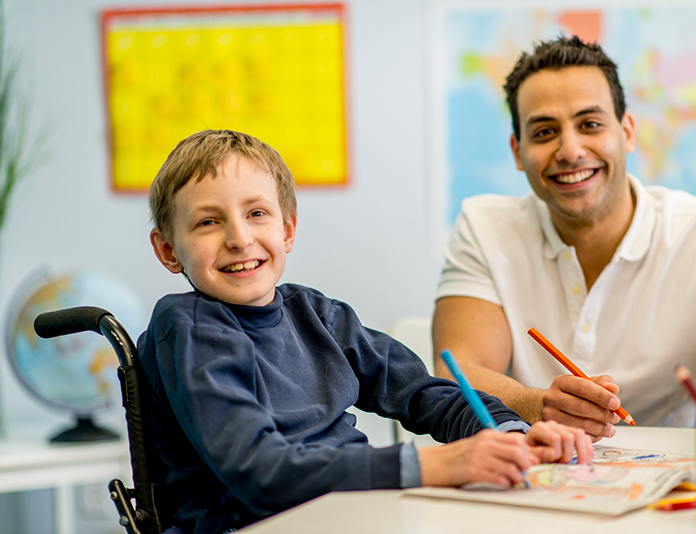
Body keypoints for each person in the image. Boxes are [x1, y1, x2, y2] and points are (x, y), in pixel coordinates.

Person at [138, 129, 592, 534]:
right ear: (168, 250)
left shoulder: (316, 314)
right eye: (208, 222)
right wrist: (433, 463)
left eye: (256, 213)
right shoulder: (186, 329)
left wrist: (509, 432)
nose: (239, 238)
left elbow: (423, 392)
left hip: (357, 514)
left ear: (287, 229)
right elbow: (261, 473)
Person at [432, 35, 696, 454]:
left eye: (590, 125)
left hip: (684, 487)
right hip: (540, 476)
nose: (570, 151)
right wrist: (537, 405)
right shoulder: (483, 227)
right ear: (518, 151)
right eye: (545, 131)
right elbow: (455, 372)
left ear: (626, 132)